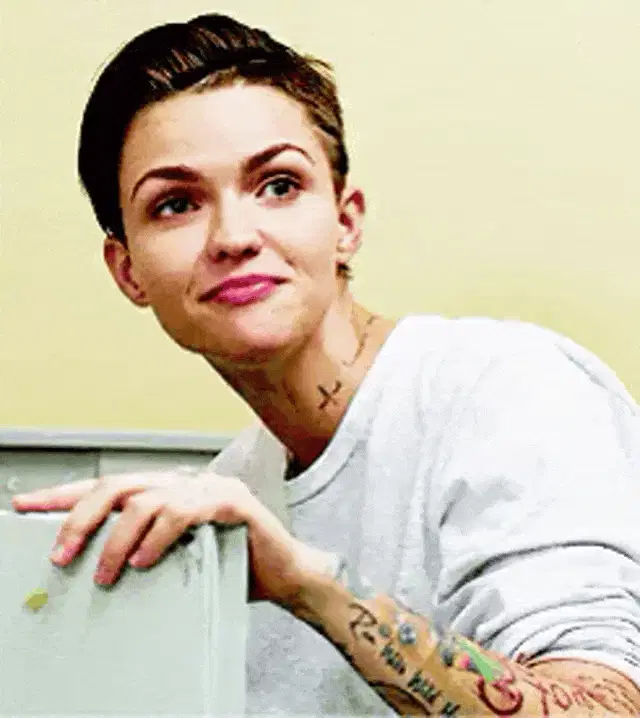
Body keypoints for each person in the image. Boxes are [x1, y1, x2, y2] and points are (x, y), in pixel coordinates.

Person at [12, 12, 640, 717]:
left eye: (278, 184)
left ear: (345, 222)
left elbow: (604, 711)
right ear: (127, 270)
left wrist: (308, 586)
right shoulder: (230, 493)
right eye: (176, 203)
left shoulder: (514, 392)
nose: (234, 237)